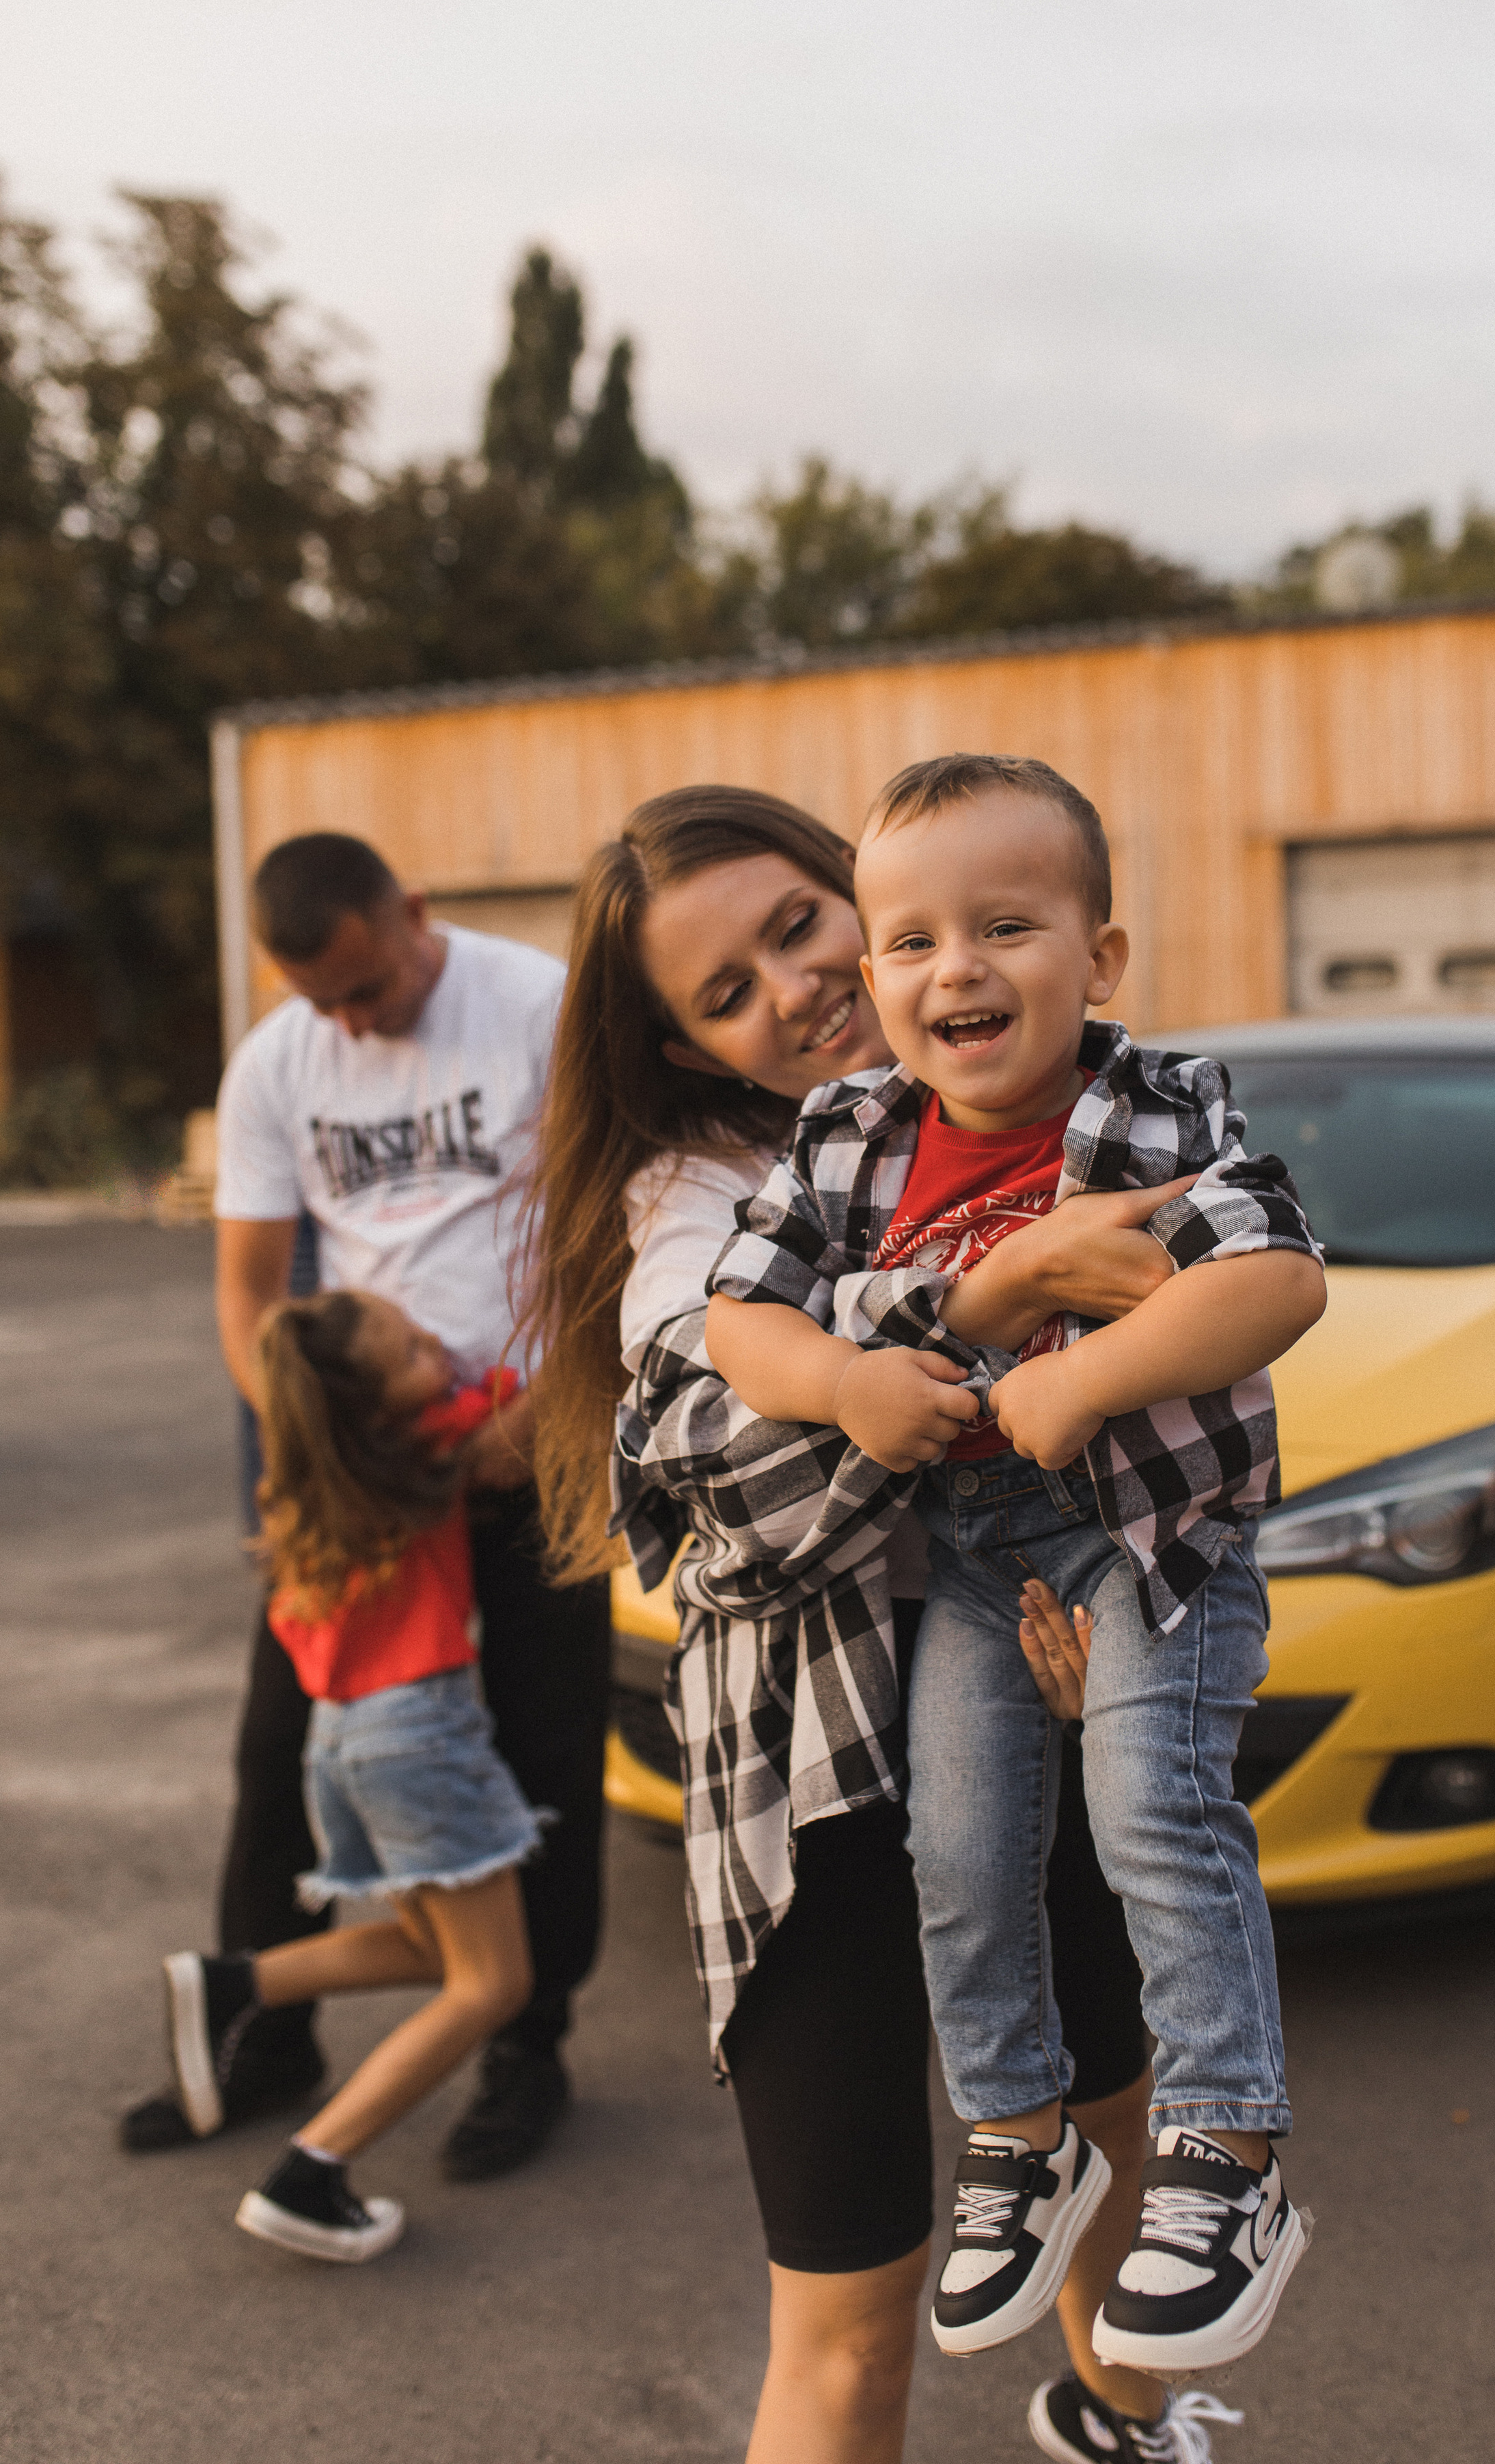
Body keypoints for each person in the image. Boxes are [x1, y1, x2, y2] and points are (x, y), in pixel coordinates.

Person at [525, 784, 1233, 2464]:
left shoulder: (1044, 1098)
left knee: (1122, 2170)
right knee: (852, 2321)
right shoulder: (684, 1211)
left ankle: (1116, 2424)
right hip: (817, 1787)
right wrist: (987, 1300)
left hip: (1043, 1702)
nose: (793, 986)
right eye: (724, 991)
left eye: (796, 924)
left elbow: (1198, 1335)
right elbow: (734, 1460)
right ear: (690, 1050)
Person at [704, 754, 1326, 2376]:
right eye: (907, 943)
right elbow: (732, 1320)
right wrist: (842, 1380)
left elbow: (1274, 1281)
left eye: (1004, 926)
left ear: (1096, 958)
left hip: (1143, 1543)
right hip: (976, 1567)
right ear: (874, 981)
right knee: (960, 1853)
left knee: (1153, 1818)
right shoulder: (843, 1138)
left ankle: (1225, 2150)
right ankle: (1016, 2128)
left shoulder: (1156, 1105)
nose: (952, 969)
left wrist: (1078, 1379)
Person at [121, 832, 609, 2182]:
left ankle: (528, 2045)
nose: (350, 1020)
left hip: (523, 1455)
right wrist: (316, 1452)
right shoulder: (281, 1060)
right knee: (278, 1753)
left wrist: (556, 1406)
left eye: (369, 988)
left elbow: (618, 1232)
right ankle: (267, 2036)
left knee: (543, 1755)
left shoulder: (535, 1007)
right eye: (322, 999)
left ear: (413, 913)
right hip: (361, 1493)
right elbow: (248, 1295)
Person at [164, 1290, 543, 2260]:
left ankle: (236, 1981)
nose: (435, 1342)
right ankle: (313, 2170)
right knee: (493, 1985)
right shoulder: (428, 1446)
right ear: (377, 1410)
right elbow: (520, 1402)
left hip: (341, 1737)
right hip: (421, 1732)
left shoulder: (306, 1490)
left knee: (432, 1949)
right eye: (412, 1348)